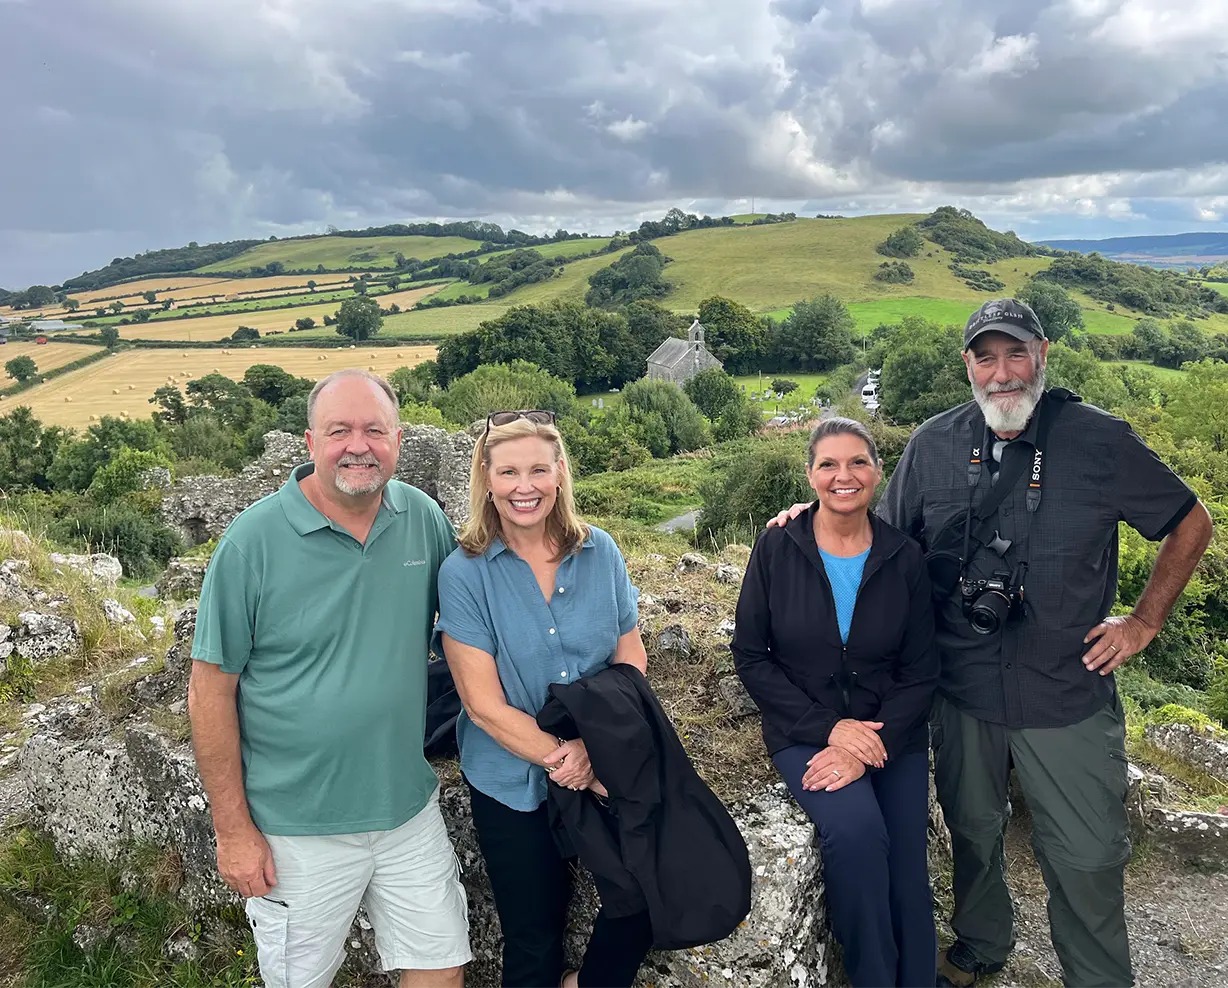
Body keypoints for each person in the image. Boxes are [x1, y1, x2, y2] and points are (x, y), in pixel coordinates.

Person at [771, 299, 1214, 988]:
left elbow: (1191, 520)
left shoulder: (1101, 441)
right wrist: (819, 512)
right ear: (968, 366)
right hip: (960, 686)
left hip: (1067, 688)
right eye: (986, 356)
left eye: (1015, 354)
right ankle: (981, 943)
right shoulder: (934, 443)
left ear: (1043, 353)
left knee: (1087, 855)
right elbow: (883, 544)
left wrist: (1144, 621)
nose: (1001, 372)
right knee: (973, 830)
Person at [187, 369, 471, 988]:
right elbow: (211, 687)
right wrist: (233, 829)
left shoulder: (422, 519)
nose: (358, 445)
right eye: (339, 430)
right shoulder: (252, 543)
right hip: (296, 826)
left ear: (398, 439)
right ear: (310, 442)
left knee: (440, 971)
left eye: (374, 430)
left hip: (405, 809)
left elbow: (471, 625)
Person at [434, 410, 654, 988]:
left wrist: (594, 747)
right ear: (487, 478)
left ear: (559, 473)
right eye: (508, 472)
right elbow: (481, 703)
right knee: (533, 940)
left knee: (644, 895)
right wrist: (564, 756)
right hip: (511, 779)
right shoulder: (464, 573)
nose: (524, 486)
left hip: (604, 761)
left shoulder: (599, 550)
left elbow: (629, 653)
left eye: (538, 469)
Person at [732, 417, 939, 988]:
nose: (843, 475)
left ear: (877, 473)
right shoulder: (777, 546)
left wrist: (869, 740)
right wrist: (831, 730)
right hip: (803, 728)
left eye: (857, 463)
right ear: (810, 475)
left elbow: (922, 672)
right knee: (856, 835)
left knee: (906, 868)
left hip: (891, 730)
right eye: (828, 464)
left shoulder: (905, 558)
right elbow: (750, 655)